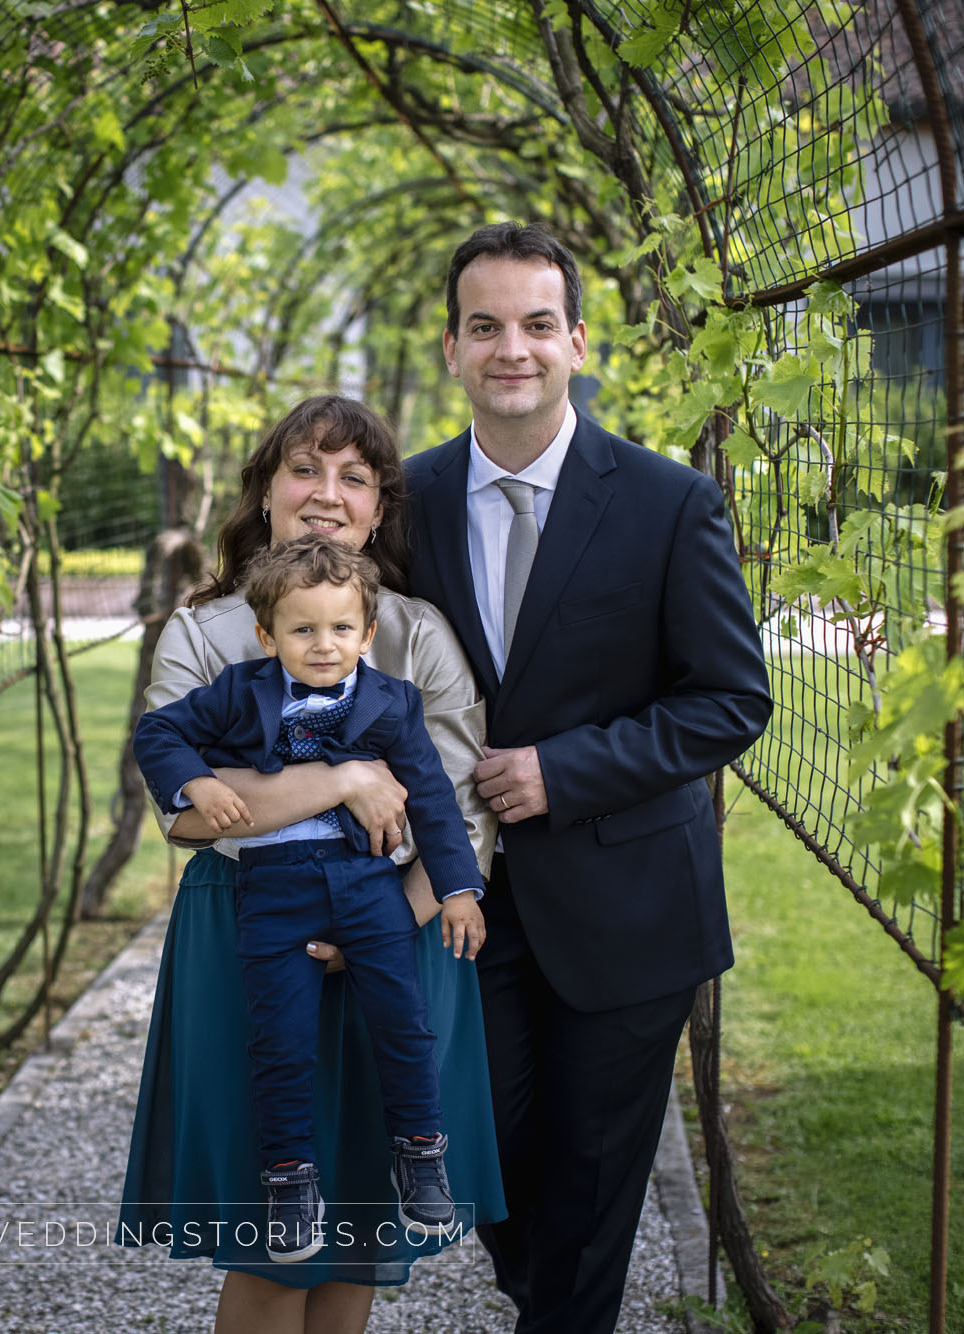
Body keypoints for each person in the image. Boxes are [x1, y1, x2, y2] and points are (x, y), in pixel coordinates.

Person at [401, 221, 772, 1334]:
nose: (509, 347)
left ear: (574, 341)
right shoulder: (407, 504)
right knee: (480, 1154)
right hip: (455, 901)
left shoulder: (668, 504)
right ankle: (547, 1291)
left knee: (594, 1174)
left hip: (625, 904)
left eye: (534, 323)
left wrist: (563, 769)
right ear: (454, 349)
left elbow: (729, 698)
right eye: (484, 326)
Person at [118, 396, 504, 1334]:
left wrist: (399, 916)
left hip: (393, 933)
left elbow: (461, 809)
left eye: (354, 478)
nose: (326, 495)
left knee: (365, 1229)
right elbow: (185, 812)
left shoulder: (419, 636)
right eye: (303, 469)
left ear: (379, 508)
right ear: (265, 490)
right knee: (269, 1239)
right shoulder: (205, 634)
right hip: (249, 930)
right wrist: (345, 778)